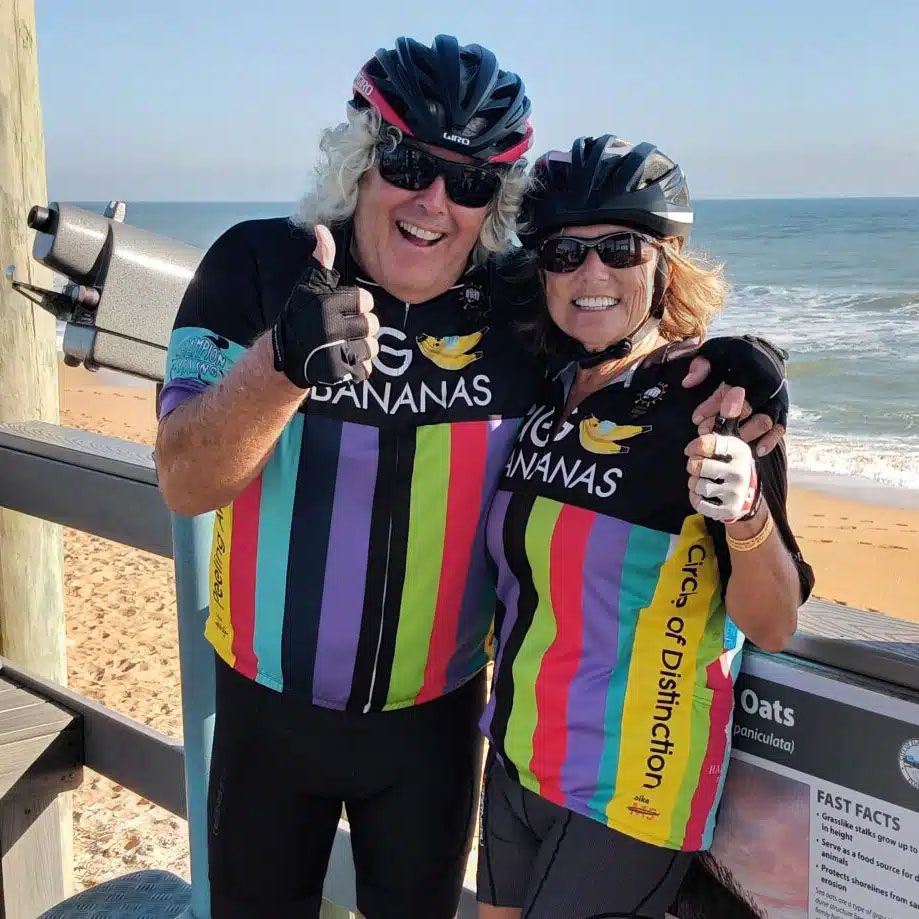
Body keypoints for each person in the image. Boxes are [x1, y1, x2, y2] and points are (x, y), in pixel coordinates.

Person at [155, 35, 788, 918]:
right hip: (267, 711)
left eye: (471, 180)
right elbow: (185, 480)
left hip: (435, 726)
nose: (434, 201)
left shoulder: (517, 303)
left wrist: (737, 362)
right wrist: (284, 363)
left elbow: (621, 316)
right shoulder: (260, 265)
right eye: (409, 162)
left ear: (496, 201)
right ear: (360, 159)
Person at [476, 135, 814, 919]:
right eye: (565, 253)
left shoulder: (709, 401)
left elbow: (774, 619)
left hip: (629, 790)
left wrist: (746, 512)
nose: (591, 274)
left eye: (620, 248)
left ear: (663, 262)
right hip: (516, 760)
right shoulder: (545, 393)